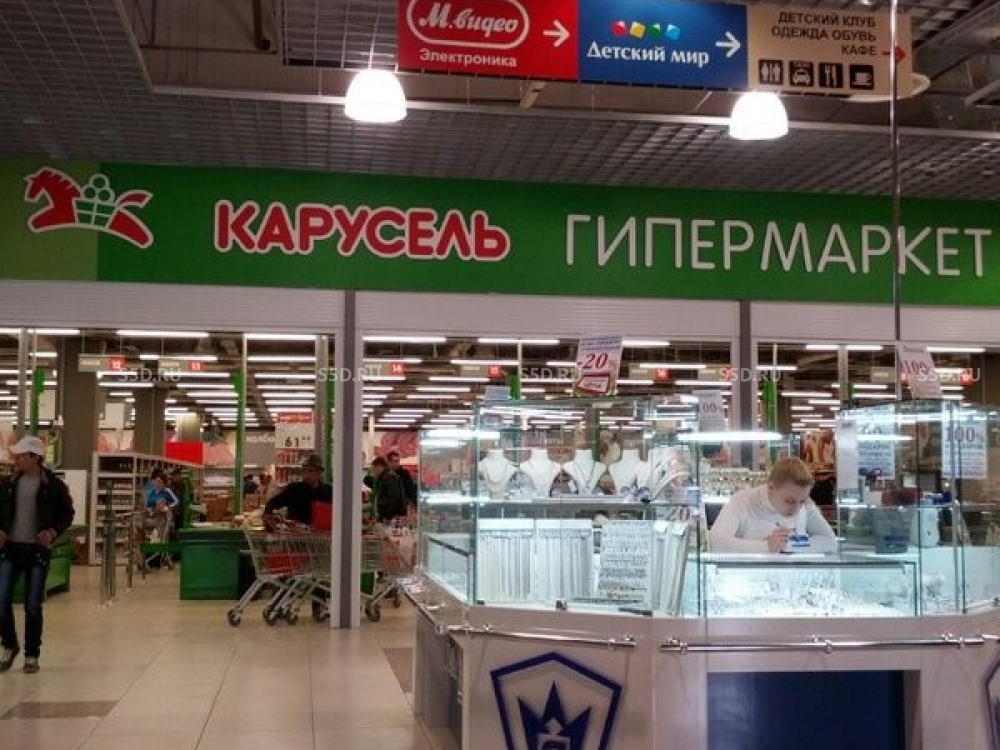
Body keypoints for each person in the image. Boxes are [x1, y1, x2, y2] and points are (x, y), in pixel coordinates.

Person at [0, 436, 74, 674]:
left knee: (32, 605)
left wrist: (52, 532)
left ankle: (32, 654)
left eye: (21, 455)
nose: (16, 459)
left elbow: (67, 513)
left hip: (37, 552)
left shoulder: (53, 486)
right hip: (11, 549)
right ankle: (9, 645)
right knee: (1, 598)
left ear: (34, 458)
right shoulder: (9, 484)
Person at [708, 457, 836, 554]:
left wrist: (790, 545)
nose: (797, 508)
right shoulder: (742, 501)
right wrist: (766, 546)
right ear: (771, 487)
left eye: (802, 501)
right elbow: (715, 542)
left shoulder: (805, 504)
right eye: (789, 501)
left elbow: (830, 542)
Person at [264, 455, 333, 525]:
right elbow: (273, 502)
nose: (306, 475)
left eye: (310, 471)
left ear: (319, 473)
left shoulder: (328, 491)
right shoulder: (293, 489)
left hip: (320, 531)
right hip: (296, 530)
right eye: (304, 470)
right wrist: (267, 514)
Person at [145, 474, 179, 567]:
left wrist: (167, 507)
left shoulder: (167, 491)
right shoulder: (152, 492)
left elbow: (176, 501)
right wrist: (149, 510)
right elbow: (148, 505)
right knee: (160, 540)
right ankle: (166, 560)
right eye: (156, 481)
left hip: (164, 518)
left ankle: (156, 559)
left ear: (164, 483)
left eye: (159, 481)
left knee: (162, 539)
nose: (157, 483)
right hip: (153, 517)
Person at [371, 457, 407, 522]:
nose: (373, 472)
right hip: (390, 515)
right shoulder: (385, 477)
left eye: (373, 469)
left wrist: (387, 517)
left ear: (379, 467)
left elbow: (393, 499)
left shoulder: (389, 477)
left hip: (391, 516)